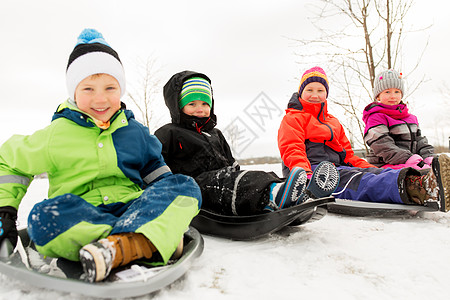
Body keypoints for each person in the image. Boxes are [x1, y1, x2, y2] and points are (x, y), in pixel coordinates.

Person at [0, 29, 202, 283]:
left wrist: (164, 202)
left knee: (184, 187)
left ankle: (120, 246)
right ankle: (141, 241)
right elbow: (9, 160)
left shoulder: (135, 132)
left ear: (121, 89)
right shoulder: (56, 134)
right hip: (81, 215)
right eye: (88, 89)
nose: (100, 98)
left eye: (110, 87)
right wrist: (5, 212)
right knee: (43, 218)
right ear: (73, 92)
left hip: (133, 207)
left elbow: (155, 169)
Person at [154, 70, 339, 216]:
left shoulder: (215, 133)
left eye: (204, 104)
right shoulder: (169, 133)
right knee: (238, 183)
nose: (200, 109)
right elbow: (155, 163)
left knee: (254, 176)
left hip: (223, 183)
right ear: (179, 106)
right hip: (193, 187)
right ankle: (277, 196)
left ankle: (293, 194)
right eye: (192, 104)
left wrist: (237, 174)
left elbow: (230, 162)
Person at [277, 66, 450, 211]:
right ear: (301, 92)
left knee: (376, 173)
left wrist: (371, 168)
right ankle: (420, 188)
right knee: (359, 181)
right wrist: (304, 176)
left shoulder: (333, 122)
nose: (315, 95)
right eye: (310, 90)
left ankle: (430, 180)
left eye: (320, 90)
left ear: (326, 94)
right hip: (313, 174)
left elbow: (349, 157)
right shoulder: (293, 118)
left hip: (336, 168)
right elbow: (292, 149)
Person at [363, 69, 434, 170]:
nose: (393, 96)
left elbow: (419, 141)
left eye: (397, 91)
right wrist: (408, 159)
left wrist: (427, 156)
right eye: (387, 92)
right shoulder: (375, 118)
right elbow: (382, 146)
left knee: (432, 168)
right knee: (418, 171)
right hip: (384, 165)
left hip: (412, 162)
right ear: (378, 96)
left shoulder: (411, 118)